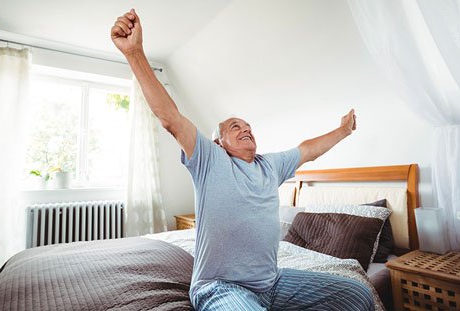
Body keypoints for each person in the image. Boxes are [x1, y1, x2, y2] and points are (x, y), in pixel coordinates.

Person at [111, 9, 375, 311]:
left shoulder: (270, 166)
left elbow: (308, 149)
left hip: (273, 282)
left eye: (248, 125)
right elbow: (170, 118)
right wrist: (135, 54)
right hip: (219, 286)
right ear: (218, 142)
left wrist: (343, 130)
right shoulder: (210, 160)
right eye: (234, 126)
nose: (245, 128)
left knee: (359, 294)